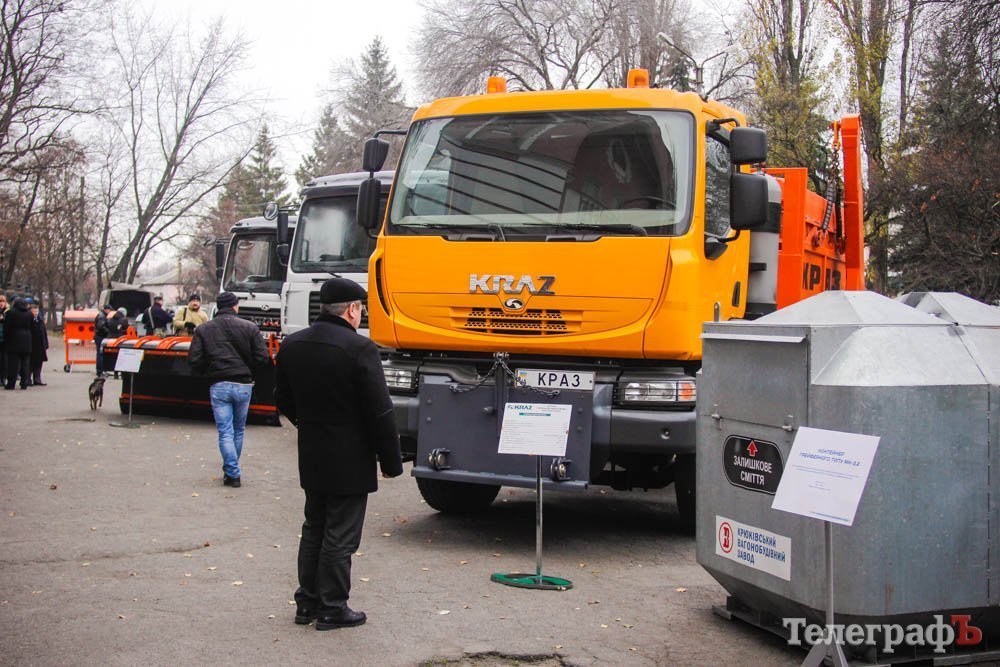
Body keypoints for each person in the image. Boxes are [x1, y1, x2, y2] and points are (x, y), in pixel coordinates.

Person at [274, 277, 403, 631]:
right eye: (360, 309)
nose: (360, 315)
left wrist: (310, 424)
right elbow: (380, 410)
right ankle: (333, 607)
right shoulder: (360, 349)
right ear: (351, 309)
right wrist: (391, 461)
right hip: (350, 456)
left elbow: (283, 400)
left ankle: (307, 603)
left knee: (314, 525)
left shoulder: (293, 345)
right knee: (340, 535)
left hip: (312, 451)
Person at [187, 291, 268, 488]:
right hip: (243, 384)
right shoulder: (250, 327)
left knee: (225, 432)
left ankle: (232, 472)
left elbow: (194, 360)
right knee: (238, 430)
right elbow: (263, 358)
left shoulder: (204, 329)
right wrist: (250, 371)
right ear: (234, 306)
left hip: (219, 384)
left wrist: (209, 371)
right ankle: (232, 470)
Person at [3, 297, 33, 390]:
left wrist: (6, 337)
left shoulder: (11, 312)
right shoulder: (29, 313)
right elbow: (31, 326)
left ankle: (11, 383)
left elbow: (7, 327)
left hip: (14, 340)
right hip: (27, 339)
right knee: (25, 363)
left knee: (13, 363)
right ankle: (24, 382)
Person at [28, 301, 48, 386]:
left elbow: (44, 333)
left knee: (39, 363)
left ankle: (37, 379)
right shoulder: (29, 321)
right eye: (34, 311)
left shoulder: (40, 321)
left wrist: (46, 343)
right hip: (32, 345)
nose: (35, 313)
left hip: (40, 346)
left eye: (36, 311)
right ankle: (28, 379)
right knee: (30, 364)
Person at [93, 304, 114, 377]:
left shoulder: (101, 315)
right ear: (106, 309)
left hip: (99, 336)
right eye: (110, 310)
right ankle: (100, 371)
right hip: (100, 337)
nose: (110, 312)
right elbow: (101, 326)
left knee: (101, 354)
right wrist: (108, 332)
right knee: (100, 354)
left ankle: (102, 370)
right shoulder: (102, 316)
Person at [0, 292, 8, 383]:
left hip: (5, 339)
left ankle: (3, 377)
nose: (1, 304)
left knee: (4, 360)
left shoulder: (8, 312)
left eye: (3, 302)